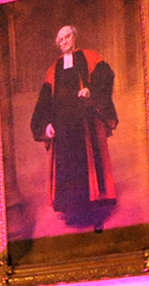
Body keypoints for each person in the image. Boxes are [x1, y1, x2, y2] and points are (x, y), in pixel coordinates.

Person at [29, 23, 119, 232]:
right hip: (64, 129)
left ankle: (94, 216)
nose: (64, 42)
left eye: (67, 37)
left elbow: (106, 77)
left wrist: (90, 90)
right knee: (69, 172)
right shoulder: (53, 69)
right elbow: (45, 100)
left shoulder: (90, 57)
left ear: (74, 37)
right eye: (60, 40)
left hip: (85, 125)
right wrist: (46, 124)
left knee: (90, 169)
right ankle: (75, 214)